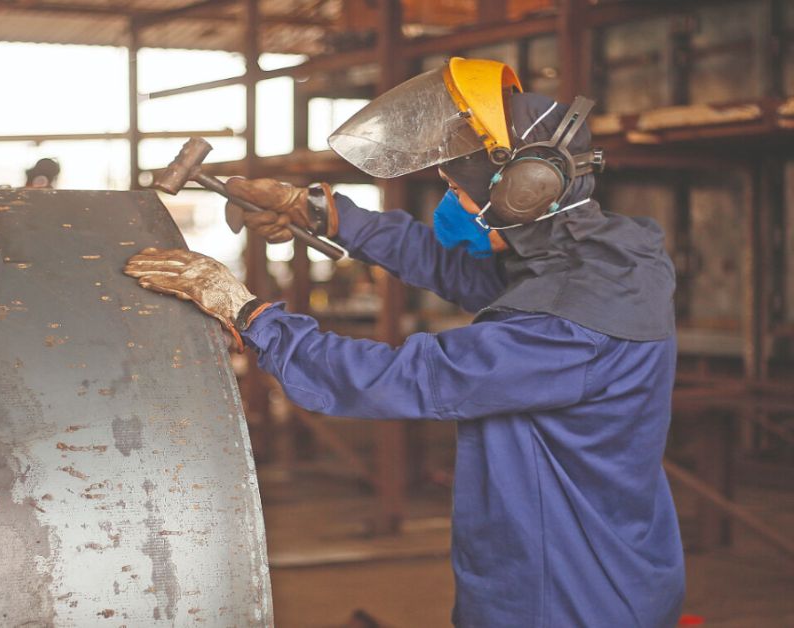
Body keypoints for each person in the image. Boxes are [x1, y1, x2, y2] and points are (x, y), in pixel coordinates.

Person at [125, 58, 685, 627]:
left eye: (460, 190)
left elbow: (405, 379)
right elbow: (468, 276)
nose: (457, 206)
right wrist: (321, 212)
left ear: (526, 189)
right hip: (612, 561)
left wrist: (248, 314)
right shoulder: (615, 260)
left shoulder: (571, 330)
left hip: (566, 593)